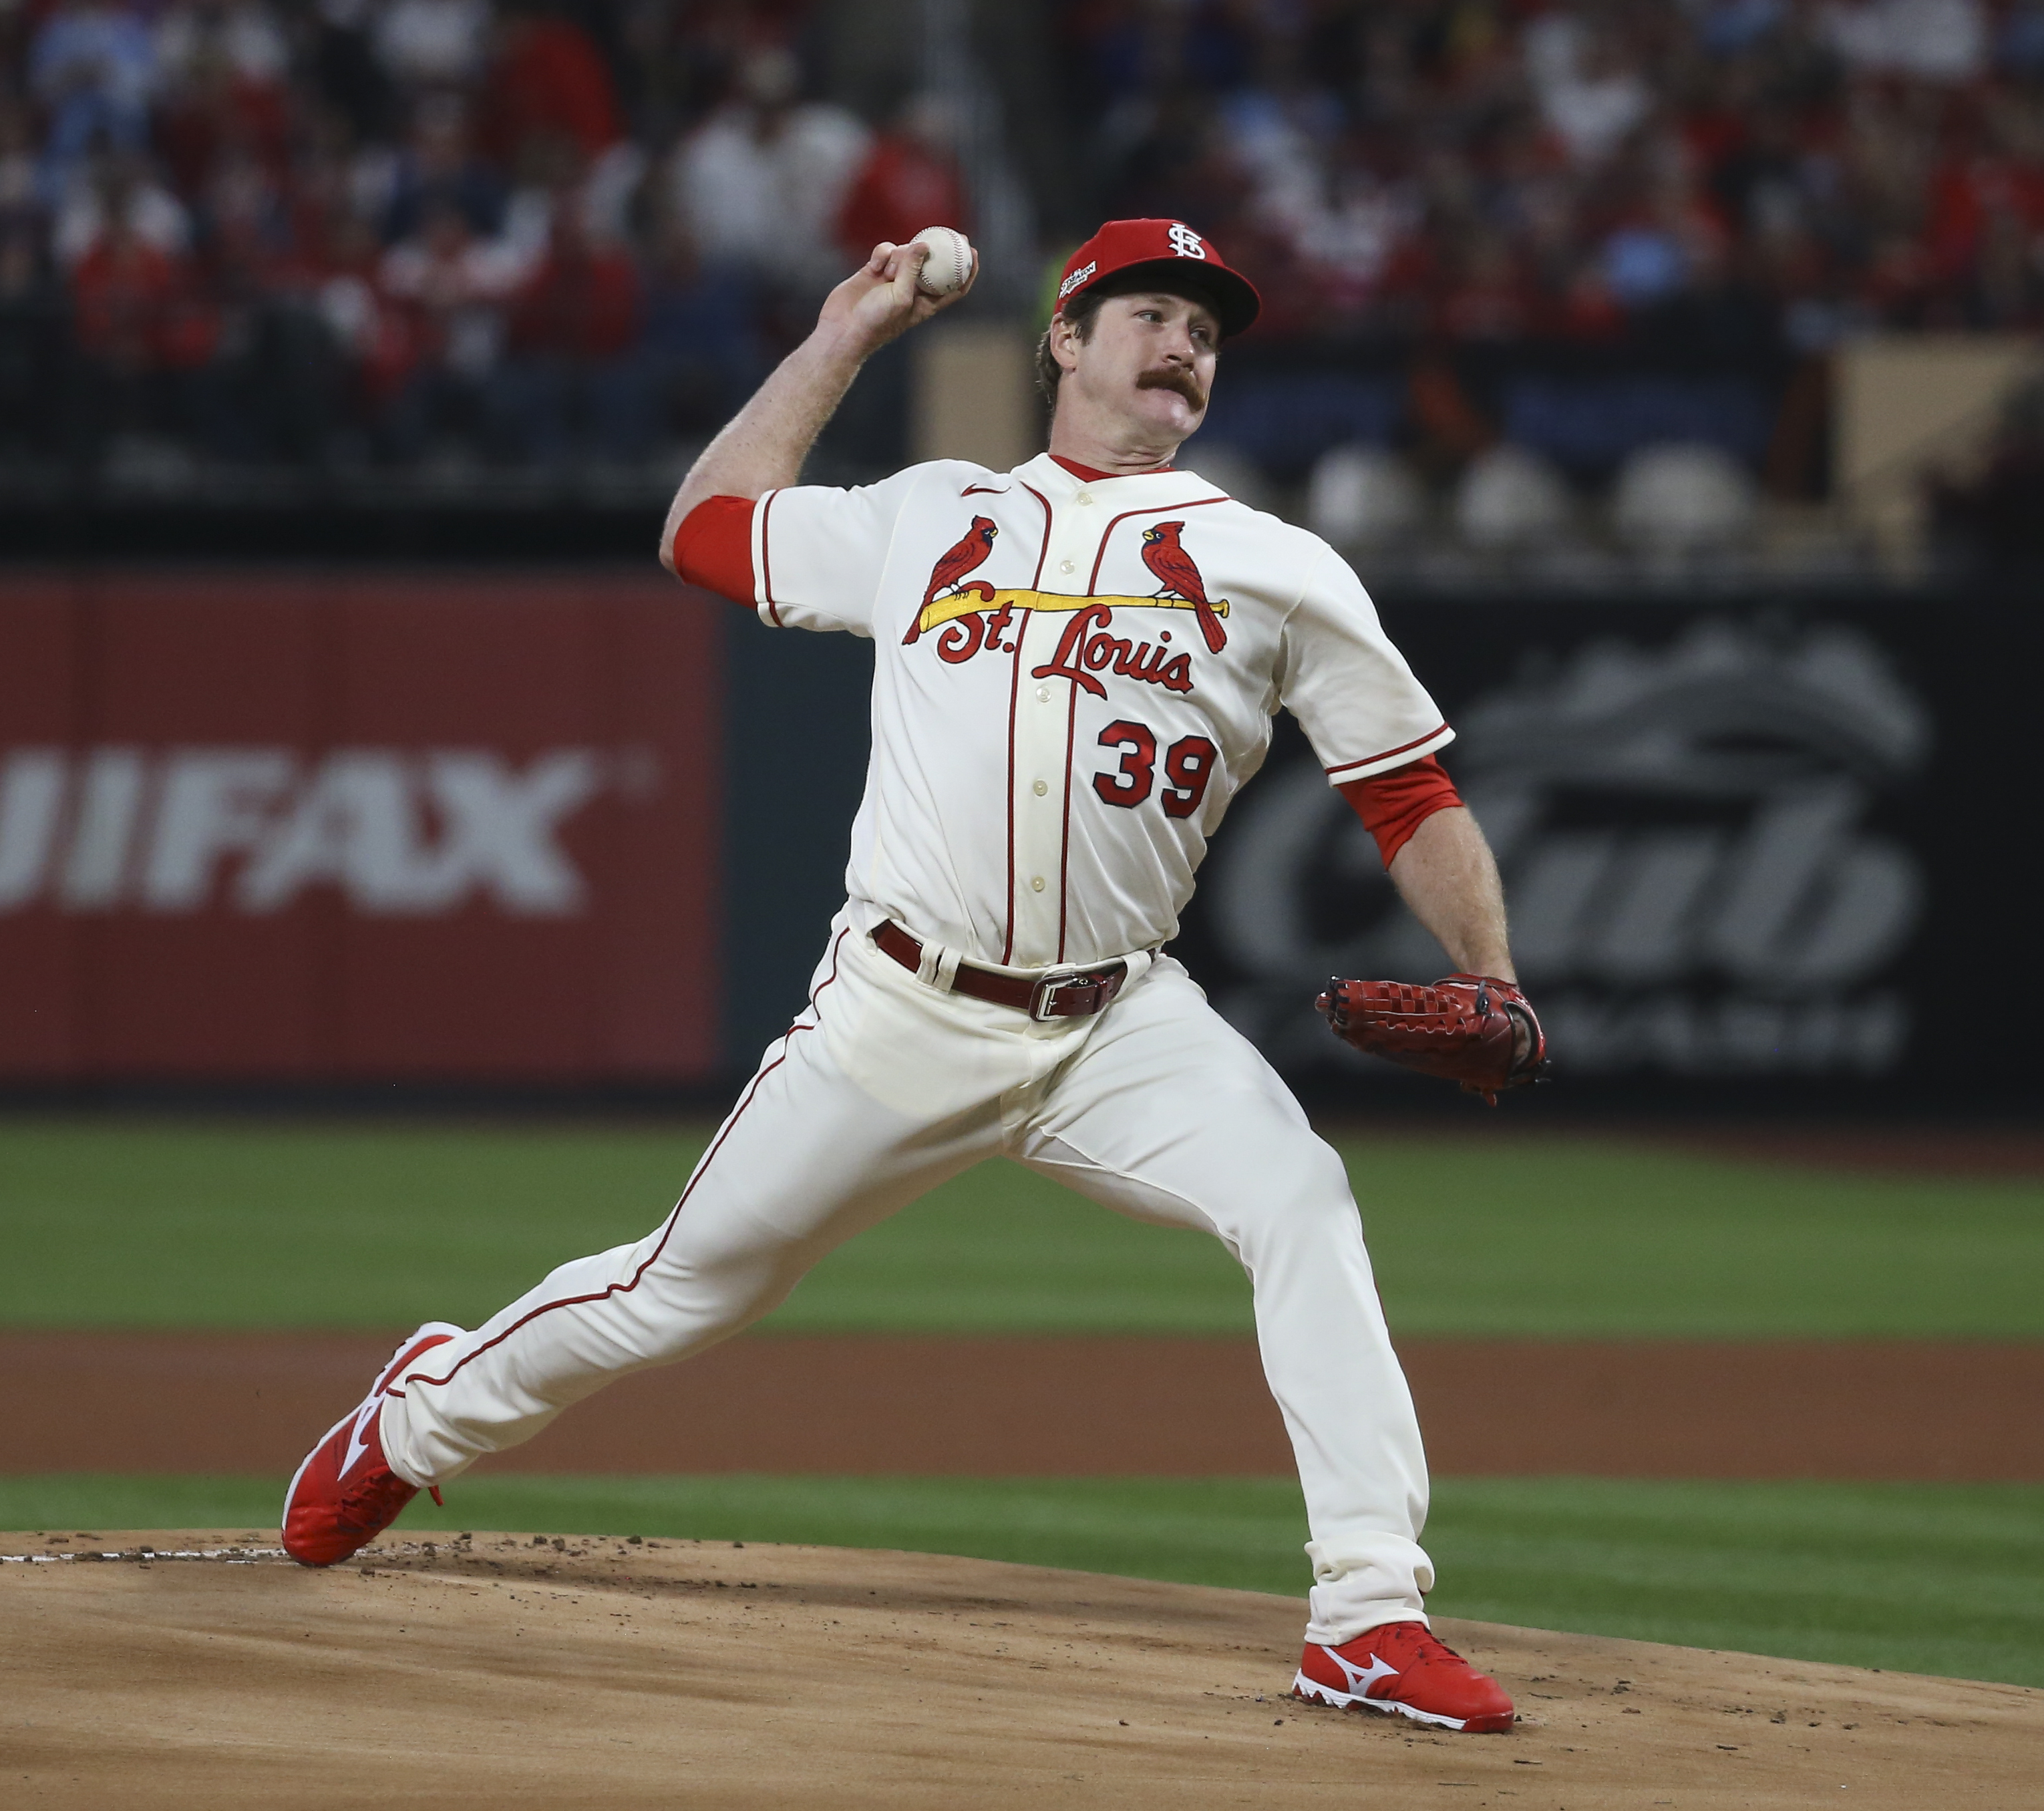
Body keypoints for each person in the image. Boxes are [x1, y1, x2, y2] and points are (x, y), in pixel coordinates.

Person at [279, 218, 1541, 1736]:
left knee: (1301, 1202)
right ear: (1063, 344)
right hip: (899, 1005)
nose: (1183, 345)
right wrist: (844, 338)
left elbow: (1406, 793)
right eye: (1149, 313)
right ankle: (419, 1414)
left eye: (1206, 330)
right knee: (679, 1294)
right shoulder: (933, 516)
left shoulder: (1275, 568)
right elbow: (703, 528)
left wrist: (1493, 972)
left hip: (1117, 1018)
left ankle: (1364, 1613)